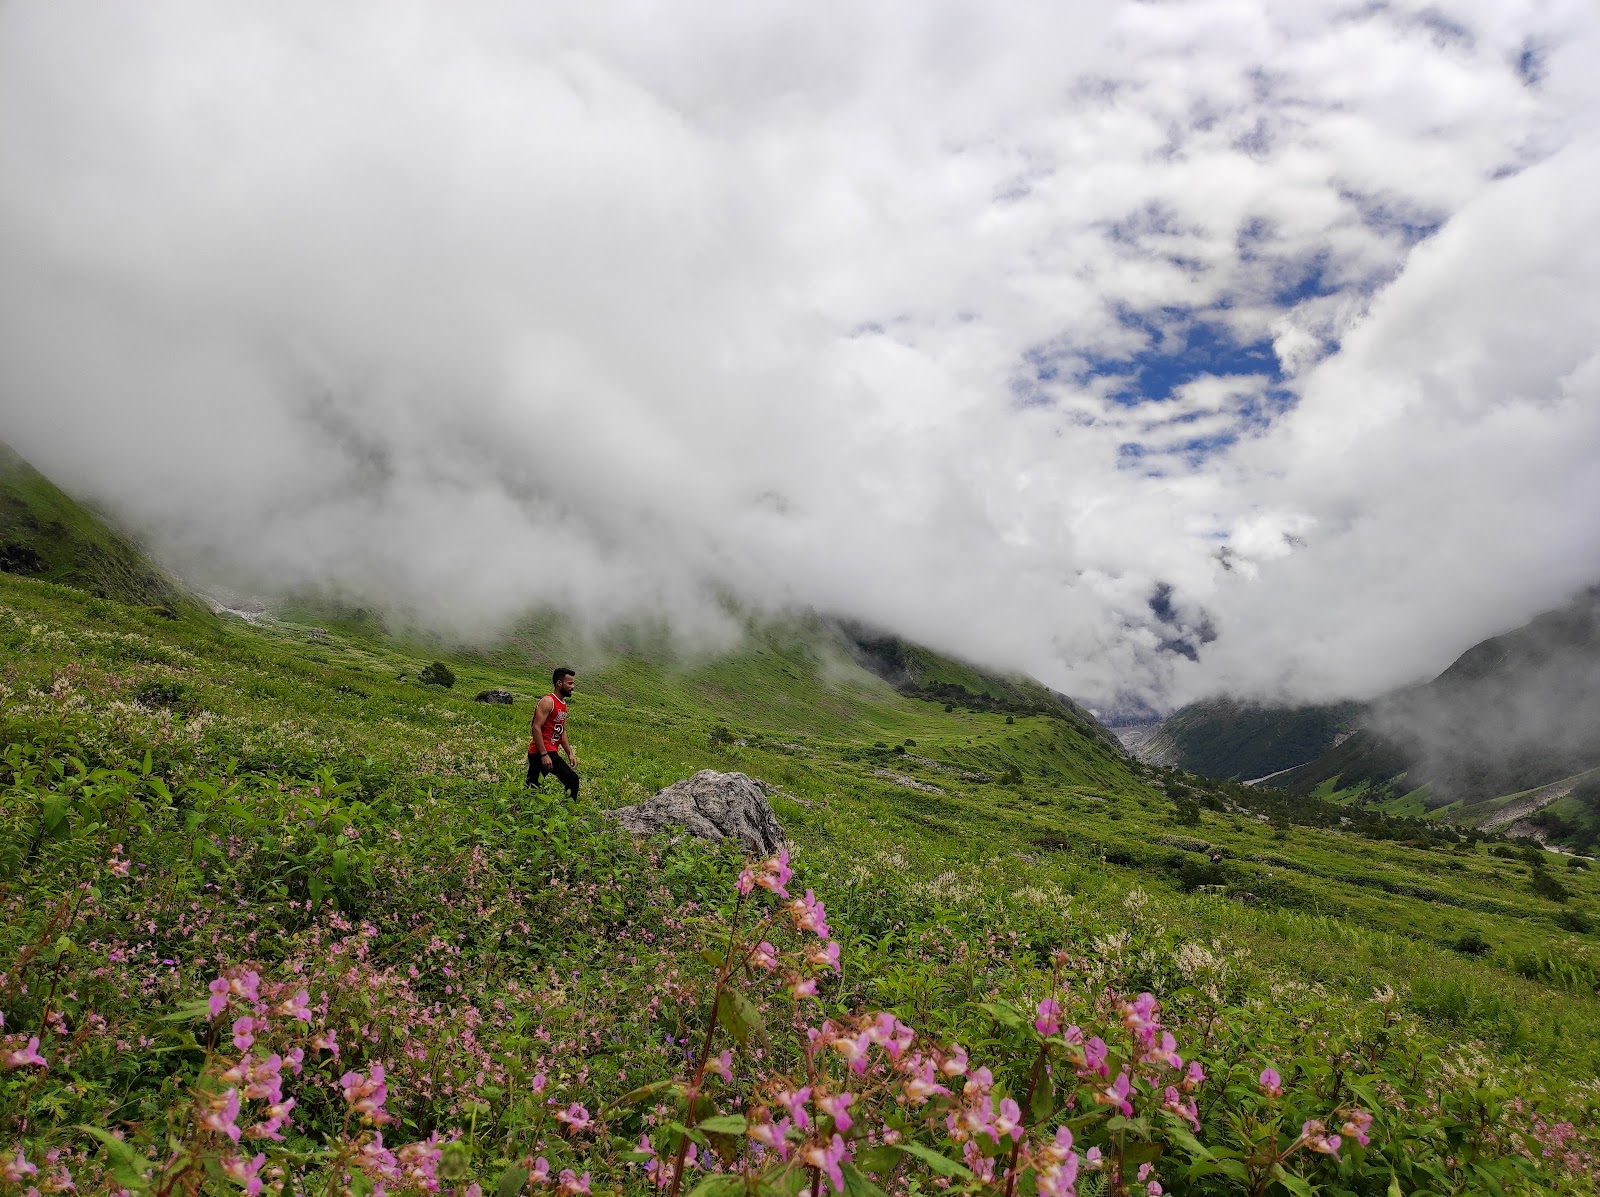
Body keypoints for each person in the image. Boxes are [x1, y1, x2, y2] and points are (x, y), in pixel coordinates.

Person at [528, 666, 580, 799]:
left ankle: (521, 809)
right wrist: (544, 754)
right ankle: (568, 813)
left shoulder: (563, 705)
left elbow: (561, 731)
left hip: (550, 751)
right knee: (572, 780)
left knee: (532, 788)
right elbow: (536, 727)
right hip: (541, 751)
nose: (572, 686)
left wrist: (570, 753)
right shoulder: (548, 701)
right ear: (559, 683)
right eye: (570, 683)